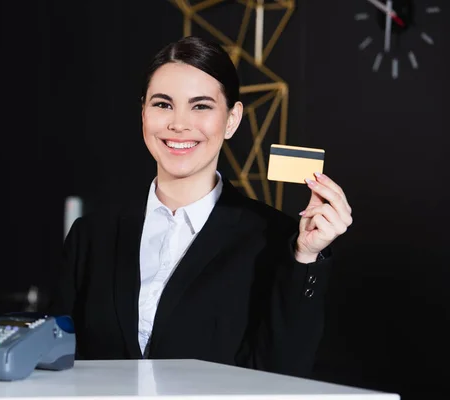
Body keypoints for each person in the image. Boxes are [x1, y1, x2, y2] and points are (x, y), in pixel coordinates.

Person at [48, 36, 353, 378]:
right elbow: (56, 363)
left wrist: (306, 257)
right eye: (163, 104)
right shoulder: (92, 236)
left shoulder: (275, 239)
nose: (179, 123)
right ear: (144, 114)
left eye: (201, 106)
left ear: (232, 120)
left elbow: (283, 370)